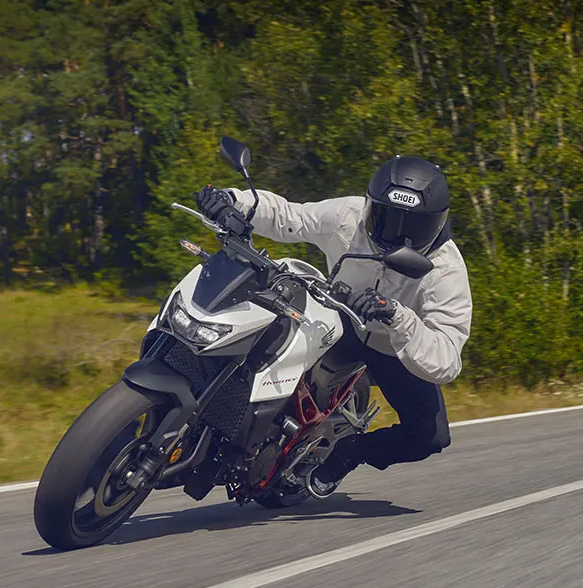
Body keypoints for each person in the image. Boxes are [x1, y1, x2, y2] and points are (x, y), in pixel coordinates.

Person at [193, 155, 472, 494]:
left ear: (438, 224)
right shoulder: (348, 216)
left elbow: (447, 356)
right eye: (385, 217)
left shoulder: (445, 269)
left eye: (413, 227)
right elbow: (290, 217)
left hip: (395, 344)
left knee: (430, 436)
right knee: (255, 337)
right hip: (336, 315)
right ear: (371, 205)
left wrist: (397, 316)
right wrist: (231, 200)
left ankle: (350, 452)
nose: (397, 234)